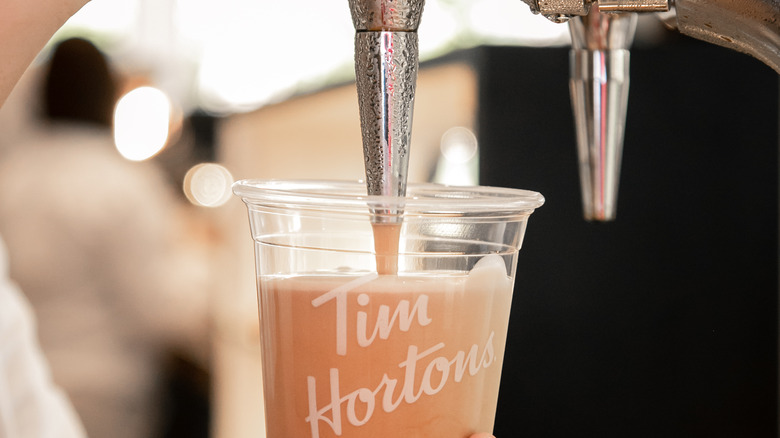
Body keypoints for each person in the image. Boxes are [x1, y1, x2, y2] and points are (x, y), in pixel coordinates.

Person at [0, 2, 499, 438]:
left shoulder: (13, 171)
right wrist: (224, 286)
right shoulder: (115, 182)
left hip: (44, 380)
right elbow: (161, 302)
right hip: (109, 391)